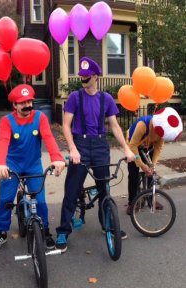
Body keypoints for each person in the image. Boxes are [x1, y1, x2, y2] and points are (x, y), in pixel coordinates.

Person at [55, 57, 135, 252]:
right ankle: (63, 230)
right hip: (80, 144)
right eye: (81, 75)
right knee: (72, 190)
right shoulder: (75, 97)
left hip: (100, 145)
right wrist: (72, 149)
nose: (83, 78)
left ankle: (107, 224)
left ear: (96, 77)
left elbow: (114, 125)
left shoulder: (106, 98)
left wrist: (126, 148)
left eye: (87, 76)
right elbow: (66, 125)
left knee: (104, 190)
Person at [0, 84, 65, 251]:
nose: (27, 105)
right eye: (22, 103)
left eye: (29, 101)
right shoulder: (6, 121)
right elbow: (3, 142)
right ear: (14, 105)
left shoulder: (40, 117)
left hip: (33, 164)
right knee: (5, 200)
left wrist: (57, 158)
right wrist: (0, 163)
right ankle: (1, 232)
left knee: (41, 201)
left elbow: (49, 138)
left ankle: (45, 231)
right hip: (12, 165)